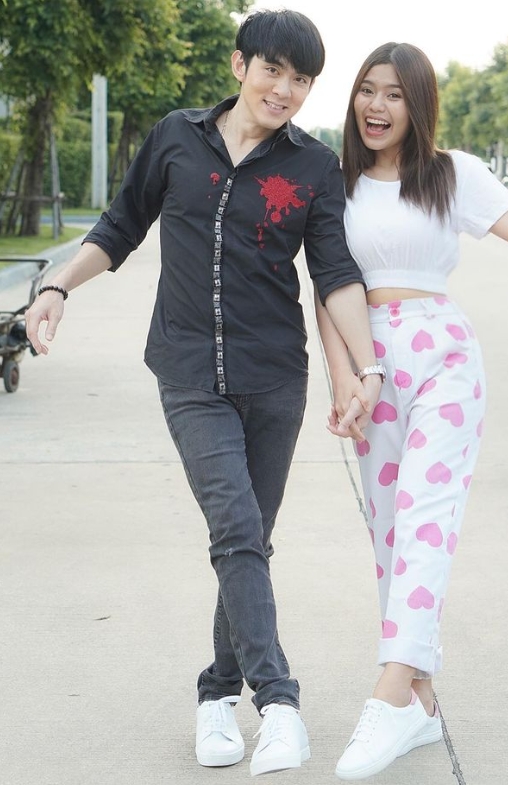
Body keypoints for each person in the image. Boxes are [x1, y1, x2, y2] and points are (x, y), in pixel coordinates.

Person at [25, 10, 382, 778]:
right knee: (236, 528)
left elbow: (335, 273)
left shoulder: (314, 166)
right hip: (188, 374)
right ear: (239, 64)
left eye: (301, 79)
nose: (284, 89)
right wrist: (57, 285)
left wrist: (368, 366)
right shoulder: (175, 138)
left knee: (248, 541)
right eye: (273, 70)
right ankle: (280, 703)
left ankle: (217, 692)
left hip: (275, 379)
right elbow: (120, 225)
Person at [315, 41, 508, 781]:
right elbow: (328, 284)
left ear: (418, 104)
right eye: (367, 90)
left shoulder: (453, 174)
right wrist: (343, 378)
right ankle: (420, 700)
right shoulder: (335, 181)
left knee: (425, 515)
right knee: (389, 529)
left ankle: (388, 694)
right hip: (372, 364)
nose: (377, 106)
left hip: (442, 354)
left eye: (395, 93)